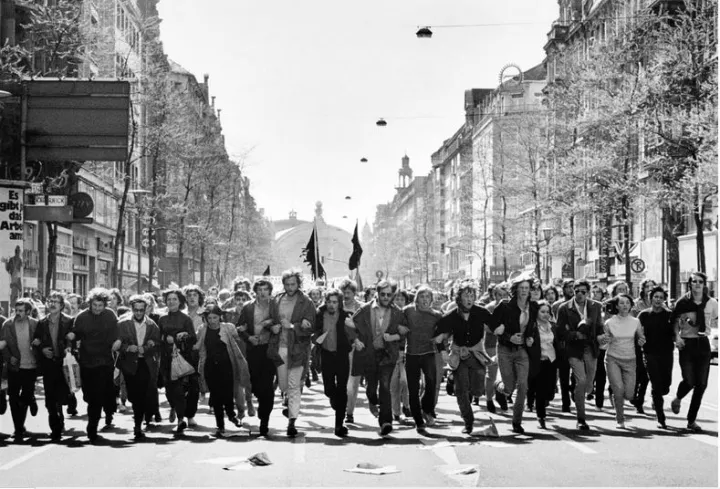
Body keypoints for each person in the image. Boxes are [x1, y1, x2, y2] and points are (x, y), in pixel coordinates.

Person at [347, 279, 408, 436]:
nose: (386, 297)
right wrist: (356, 340)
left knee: (386, 387)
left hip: (388, 355)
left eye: (389, 294)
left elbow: (404, 334)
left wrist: (394, 337)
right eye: (383, 294)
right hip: (369, 354)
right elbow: (349, 325)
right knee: (372, 388)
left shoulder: (397, 312)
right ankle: (372, 401)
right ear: (377, 294)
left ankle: (386, 422)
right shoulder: (365, 309)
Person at [434, 280, 492, 434]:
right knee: (461, 390)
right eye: (466, 296)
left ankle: (472, 390)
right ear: (459, 298)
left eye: (472, 296)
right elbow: (438, 335)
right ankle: (468, 420)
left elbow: (495, 324)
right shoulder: (451, 316)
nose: (469, 299)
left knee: (478, 388)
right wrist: (443, 351)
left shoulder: (481, 312)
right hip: (459, 355)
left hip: (477, 354)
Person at [66, 288, 119, 442]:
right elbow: (76, 333)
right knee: (89, 396)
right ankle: (100, 413)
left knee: (99, 395)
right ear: (89, 304)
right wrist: (72, 337)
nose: (97, 308)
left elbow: (117, 334)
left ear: (105, 305)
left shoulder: (110, 315)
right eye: (94, 305)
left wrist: (117, 342)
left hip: (105, 361)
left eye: (100, 305)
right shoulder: (82, 317)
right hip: (87, 361)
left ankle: (93, 427)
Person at [669, 272, 718, 432]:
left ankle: (691, 420)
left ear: (705, 284)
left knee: (702, 384)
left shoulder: (712, 303)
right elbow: (674, 322)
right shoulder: (682, 302)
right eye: (694, 281)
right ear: (689, 284)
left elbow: (715, 321)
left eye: (700, 281)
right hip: (687, 343)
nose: (697, 284)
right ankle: (678, 398)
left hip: (703, 344)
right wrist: (677, 337)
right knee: (689, 380)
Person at [196, 305, 251, 437]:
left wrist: (243, 331)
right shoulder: (202, 329)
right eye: (209, 318)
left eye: (215, 317)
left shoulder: (228, 327)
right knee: (215, 396)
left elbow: (238, 340)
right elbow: (199, 346)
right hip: (210, 365)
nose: (212, 320)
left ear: (220, 316)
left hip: (227, 365)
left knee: (227, 393)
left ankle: (232, 415)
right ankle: (220, 425)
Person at [492, 277, 539, 434]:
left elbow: (531, 326)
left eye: (527, 287)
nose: (524, 290)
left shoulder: (533, 306)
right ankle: (499, 387)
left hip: (522, 350)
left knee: (523, 386)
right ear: (516, 289)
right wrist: (508, 336)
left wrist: (530, 337)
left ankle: (516, 422)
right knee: (509, 387)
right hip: (505, 349)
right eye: (521, 287)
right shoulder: (504, 306)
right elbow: (494, 326)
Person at [272, 268, 315, 437]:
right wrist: (272, 326)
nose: (290, 287)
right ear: (283, 285)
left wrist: (295, 326)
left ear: (298, 284)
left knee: (294, 386)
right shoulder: (277, 299)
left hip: (297, 348)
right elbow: (271, 319)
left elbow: (312, 325)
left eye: (293, 284)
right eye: (287, 284)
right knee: (283, 385)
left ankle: (292, 421)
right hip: (280, 347)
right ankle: (287, 401)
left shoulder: (307, 302)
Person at [556, 279, 603, 431]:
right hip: (574, 350)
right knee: (581, 381)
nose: (580, 294)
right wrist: (575, 334)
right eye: (577, 291)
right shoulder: (564, 308)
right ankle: (581, 418)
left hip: (591, 347)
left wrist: (601, 336)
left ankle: (580, 393)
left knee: (589, 385)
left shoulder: (596, 306)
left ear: (588, 293)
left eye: (583, 292)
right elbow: (560, 331)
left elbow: (600, 326)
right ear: (573, 291)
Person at [237, 279, 280, 436]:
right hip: (253, 349)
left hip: (270, 349)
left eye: (265, 289)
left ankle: (264, 419)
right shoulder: (248, 307)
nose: (262, 292)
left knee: (267, 385)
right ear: (255, 291)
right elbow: (240, 327)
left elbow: (280, 323)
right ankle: (261, 402)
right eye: (260, 289)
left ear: (270, 291)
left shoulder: (275, 306)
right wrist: (248, 337)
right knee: (255, 384)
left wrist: (274, 326)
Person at [117, 295, 162, 440]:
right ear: (131, 309)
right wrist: (127, 348)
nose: (138, 313)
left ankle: (138, 425)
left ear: (146, 309)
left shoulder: (152, 325)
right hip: (129, 364)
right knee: (132, 394)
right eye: (136, 310)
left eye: (141, 310)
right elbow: (117, 343)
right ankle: (139, 416)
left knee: (141, 395)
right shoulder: (123, 324)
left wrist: (149, 347)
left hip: (145, 364)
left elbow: (157, 344)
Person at [600, 294, 645, 429]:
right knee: (619, 389)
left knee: (630, 394)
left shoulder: (635, 322)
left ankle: (617, 397)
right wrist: (604, 341)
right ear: (616, 306)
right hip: (613, 358)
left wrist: (641, 341)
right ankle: (620, 418)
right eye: (621, 303)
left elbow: (641, 338)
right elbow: (603, 344)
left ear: (631, 305)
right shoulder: (609, 323)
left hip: (630, 360)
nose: (625, 305)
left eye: (627, 303)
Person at [33, 291, 73, 441]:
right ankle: (55, 428)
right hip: (49, 365)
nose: (52, 304)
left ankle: (62, 413)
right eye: (50, 301)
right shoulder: (42, 323)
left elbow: (74, 338)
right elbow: (36, 341)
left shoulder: (69, 321)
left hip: (64, 364)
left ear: (62, 305)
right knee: (50, 399)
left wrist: (71, 342)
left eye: (56, 301)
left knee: (63, 395)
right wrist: (42, 348)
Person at [158, 288, 199, 434]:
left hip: (183, 358)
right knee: (170, 390)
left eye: (174, 299)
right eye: (169, 299)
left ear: (180, 301)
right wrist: (165, 339)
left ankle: (181, 419)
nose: (171, 302)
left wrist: (181, 337)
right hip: (167, 359)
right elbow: (158, 338)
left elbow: (193, 338)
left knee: (181, 389)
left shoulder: (186, 319)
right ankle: (173, 406)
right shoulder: (162, 319)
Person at [402, 286, 442, 433]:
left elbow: (445, 330)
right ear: (416, 299)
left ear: (431, 300)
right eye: (422, 297)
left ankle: (426, 408)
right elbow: (397, 322)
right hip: (411, 354)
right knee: (413, 389)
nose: (425, 300)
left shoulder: (436, 315)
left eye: (427, 297)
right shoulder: (408, 311)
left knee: (431, 384)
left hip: (429, 353)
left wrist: (441, 337)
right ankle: (418, 421)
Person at [314, 288, 353, 437]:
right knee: (329, 389)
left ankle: (339, 425)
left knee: (342, 389)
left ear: (340, 303)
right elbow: (314, 332)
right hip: (326, 355)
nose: (332, 305)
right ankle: (334, 399)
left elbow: (355, 331)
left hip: (342, 355)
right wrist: (315, 337)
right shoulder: (319, 315)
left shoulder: (345, 316)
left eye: (335, 302)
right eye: (329, 302)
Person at [0, 298, 39, 442]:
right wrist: (9, 358)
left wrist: (38, 343)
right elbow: (3, 345)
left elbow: (41, 340)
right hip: (14, 367)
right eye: (16, 310)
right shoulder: (8, 324)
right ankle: (18, 428)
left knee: (26, 396)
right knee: (13, 398)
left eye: (21, 311)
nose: (18, 313)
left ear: (28, 312)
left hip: (31, 366)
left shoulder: (35, 324)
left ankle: (30, 401)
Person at [638, 286, 674, 429]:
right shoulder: (643, 315)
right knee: (656, 384)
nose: (658, 300)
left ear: (664, 299)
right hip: (649, 353)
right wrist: (639, 340)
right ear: (650, 298)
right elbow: (638, 332)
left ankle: (657, 397)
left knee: (666, 386)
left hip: (666, 353)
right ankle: (661, 418)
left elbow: (675, 331)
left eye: (661, 297)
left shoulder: (670, 315)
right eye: (655, 297)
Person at [527, 301, 559, 429]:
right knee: (540, 389)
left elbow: (558, 341)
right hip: (537, 360)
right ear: (537, 313)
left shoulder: (553, 326)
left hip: (551, 360)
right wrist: (529, 341)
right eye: (542, 312)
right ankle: (541, 416)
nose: (546, 314)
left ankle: (536, 400)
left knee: (550, 392)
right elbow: (527, 339)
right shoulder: (532, 325)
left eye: (547, 312)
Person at [628, 278, 657, 414]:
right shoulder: (637, 304)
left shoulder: (659, 303)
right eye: (647, 287)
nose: (650, 289)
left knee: (649, 374)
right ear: (643, 289)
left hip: (653, 343)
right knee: (640, 372)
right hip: (638, 342)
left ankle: (642, 399)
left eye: (652, 286)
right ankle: (635, 396)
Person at [339, 278, 365, 424]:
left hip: (356, 348)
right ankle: (341, 409)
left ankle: (349, 412)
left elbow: (366, 328)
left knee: (353, 383)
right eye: (344, 292)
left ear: (354, 293)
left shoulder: (361, 308)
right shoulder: (336, 306)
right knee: (341, 383)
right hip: (339, 349)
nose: (346, 295)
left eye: (348, 292)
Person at [484, 283, 508, 413]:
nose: (502, 297)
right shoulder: (490, 308)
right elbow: (485, 327)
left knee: (506, 374)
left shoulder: (511, 307)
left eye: (505, 295)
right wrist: (497, 330)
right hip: (491, 345)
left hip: (507, 345)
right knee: (491, 374)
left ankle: (501, 394)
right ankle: (489, 399)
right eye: (500, 295)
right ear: (494, 295)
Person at [553, 278, 575, 412]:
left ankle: (574, 390)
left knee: (576, 374)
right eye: (569, 287)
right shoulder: (557, 305)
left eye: (574, 287)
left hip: (577, 343)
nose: (571, 289)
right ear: (564, 289)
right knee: (564, 374)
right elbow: (556, 325)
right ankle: (565, 401)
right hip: (562, 344)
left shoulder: (582, 304)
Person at [391, 289, 412, 422]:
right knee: (394, 385)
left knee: (405, 381)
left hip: (406, 352)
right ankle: (396, 412)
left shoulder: (409, 314)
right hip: (392, 353)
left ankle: (406, 405)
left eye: (402, 299)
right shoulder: (389, 314)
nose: (399, 301)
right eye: (397, 298)